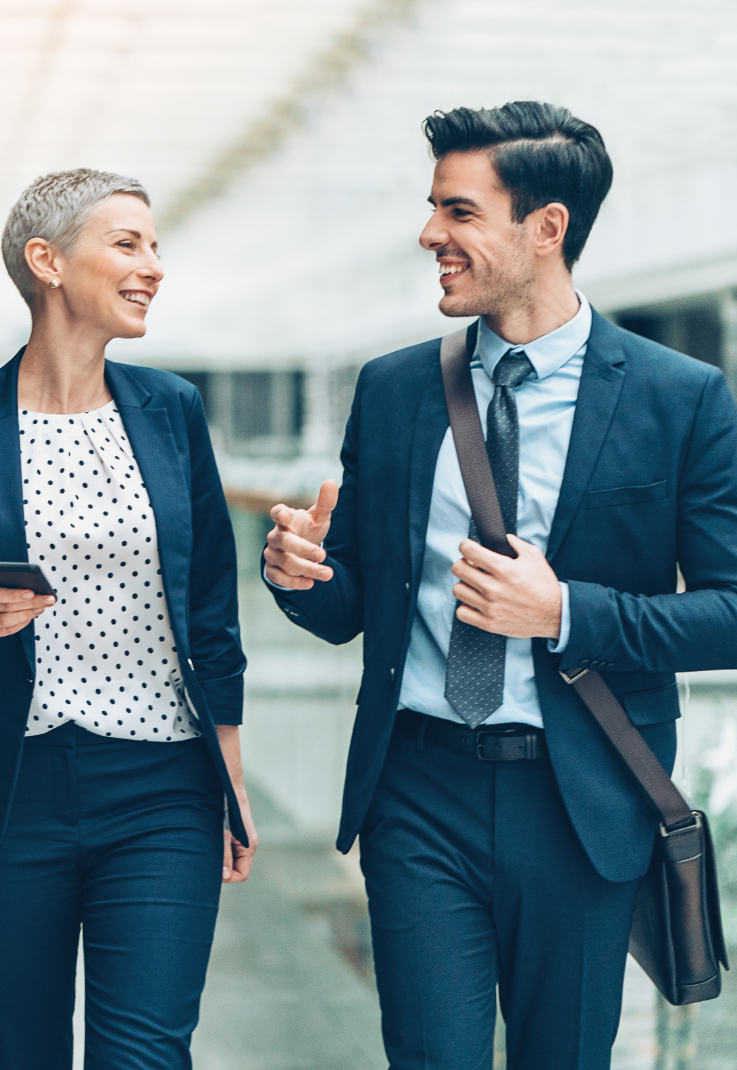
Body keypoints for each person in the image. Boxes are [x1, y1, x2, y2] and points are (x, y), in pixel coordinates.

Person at [263, 102, 737, 1068]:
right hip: (418, 793)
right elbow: (351, 601)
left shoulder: (680, 398)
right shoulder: (395, 388)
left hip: (583, 802)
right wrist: (299, 576)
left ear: (547, 227)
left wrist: (564, 611)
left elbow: (730, 613)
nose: (431, 233)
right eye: (434, 208)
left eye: (460, 211)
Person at [0, 169, 253, 1068]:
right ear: (46, 262)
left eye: (155, 246)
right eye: (127, 244)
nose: (153, 265)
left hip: (162, 787)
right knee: (16, 1051)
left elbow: (209, 607)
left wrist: (228, 778)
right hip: (8, 791)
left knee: (146, 1056)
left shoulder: (172, 411)